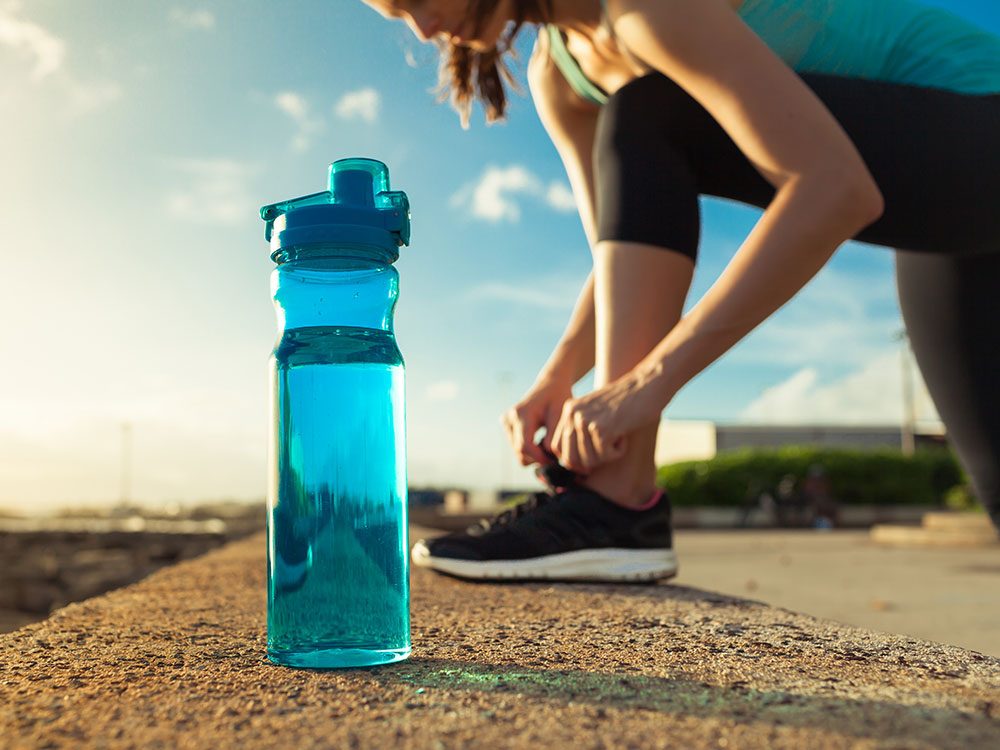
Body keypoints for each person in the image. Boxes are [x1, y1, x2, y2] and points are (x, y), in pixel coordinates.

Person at [362, 0, 1000, 581]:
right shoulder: (559, 77)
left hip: (981, 120)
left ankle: (617, 501)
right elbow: (626, 257)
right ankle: (614, 502)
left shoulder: (643, 7)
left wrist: (644, 386)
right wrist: (555, 380)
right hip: (945, 217)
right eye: (399, 18)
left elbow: (834, 190)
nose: (422, 28)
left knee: (644, 109)